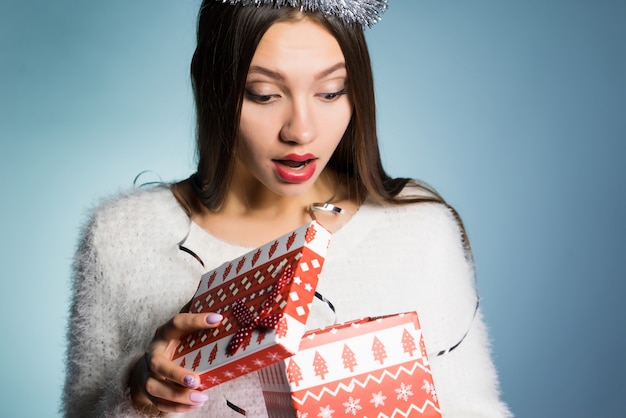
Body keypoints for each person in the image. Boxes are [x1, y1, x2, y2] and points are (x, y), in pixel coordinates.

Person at [63, 1, 512, 417]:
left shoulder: (419, 229)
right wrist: (138, 394)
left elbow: (473, 405)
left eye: (332, 92)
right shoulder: (123, 234)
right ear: (210, 83)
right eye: (263, 94)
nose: (301, 131)